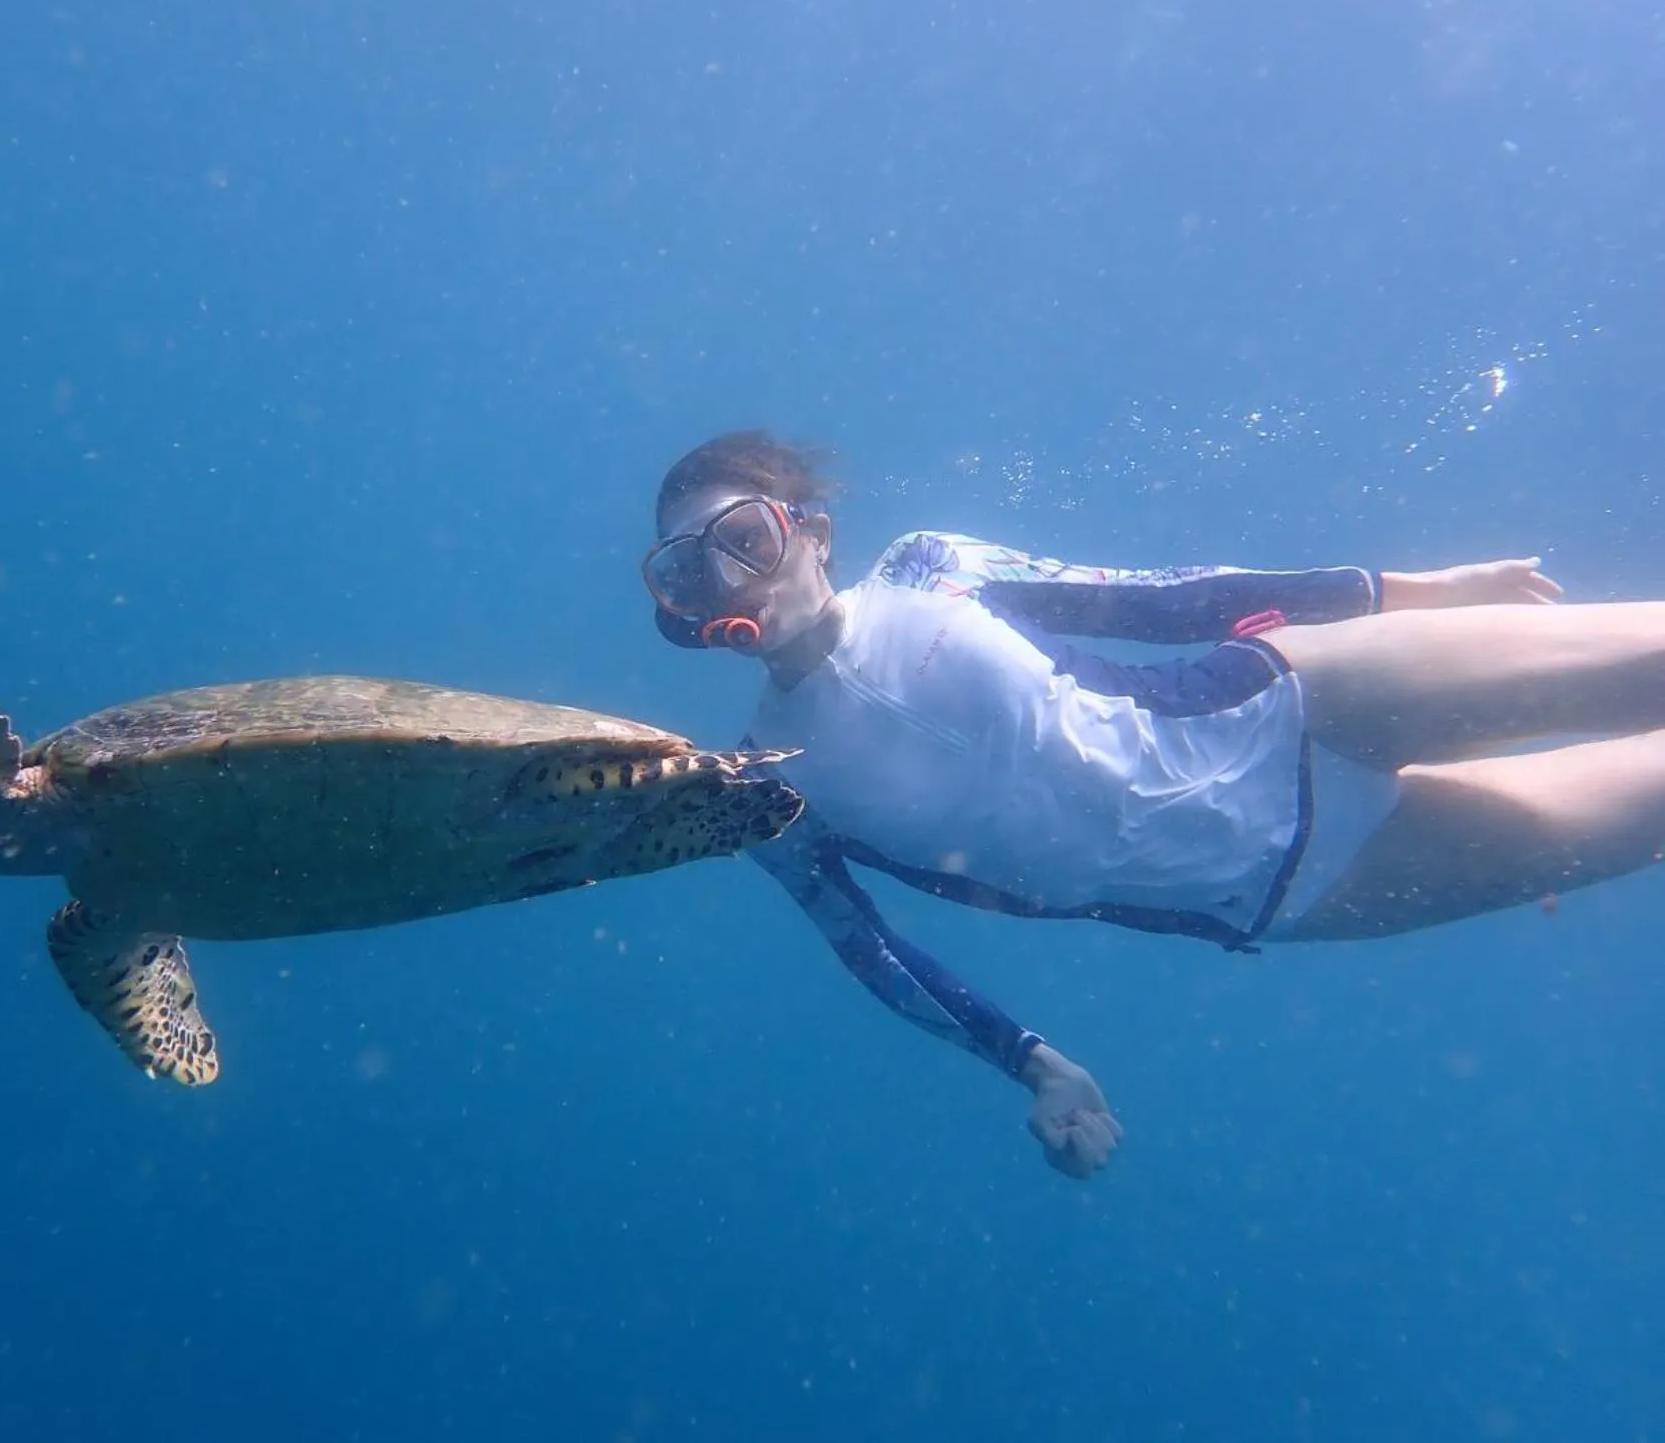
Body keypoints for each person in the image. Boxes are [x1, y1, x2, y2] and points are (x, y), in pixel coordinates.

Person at [640, 430, 1665, 1180]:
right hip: (1287, 882)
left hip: (1295, 696)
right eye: (687, 570)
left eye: (743, 538)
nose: (726, 577)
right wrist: (1030, 1063)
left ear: (810, 533)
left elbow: (1167, 597)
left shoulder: (929, 568)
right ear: (679, 610)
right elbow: (870, 952)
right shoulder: (766, 792)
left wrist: (1402, 588)